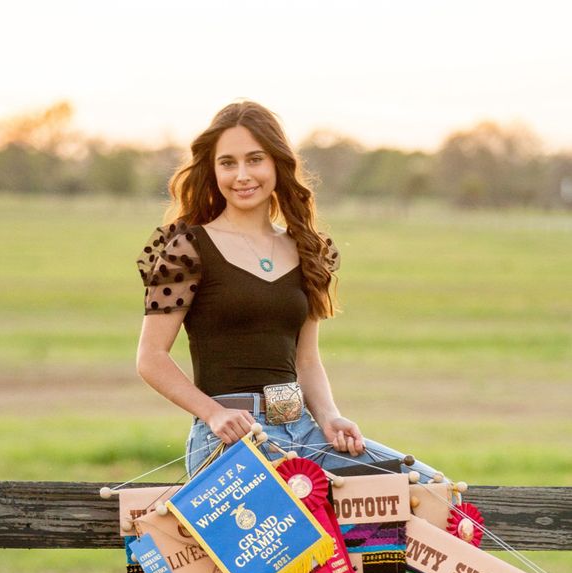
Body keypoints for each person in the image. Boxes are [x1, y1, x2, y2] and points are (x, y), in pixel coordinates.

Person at [135, 100, 437, 482]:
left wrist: (329, 416)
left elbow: (306, 360)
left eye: (255, 159)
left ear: (277, 163)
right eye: (228, 163)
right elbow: (150, 357)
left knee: (430, 489)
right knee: (288, 540)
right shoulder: (187, 248)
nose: (242, 175)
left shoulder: (309, 249)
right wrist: (212, 413)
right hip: (232, 440)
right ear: (213, 171)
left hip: (305, 433)